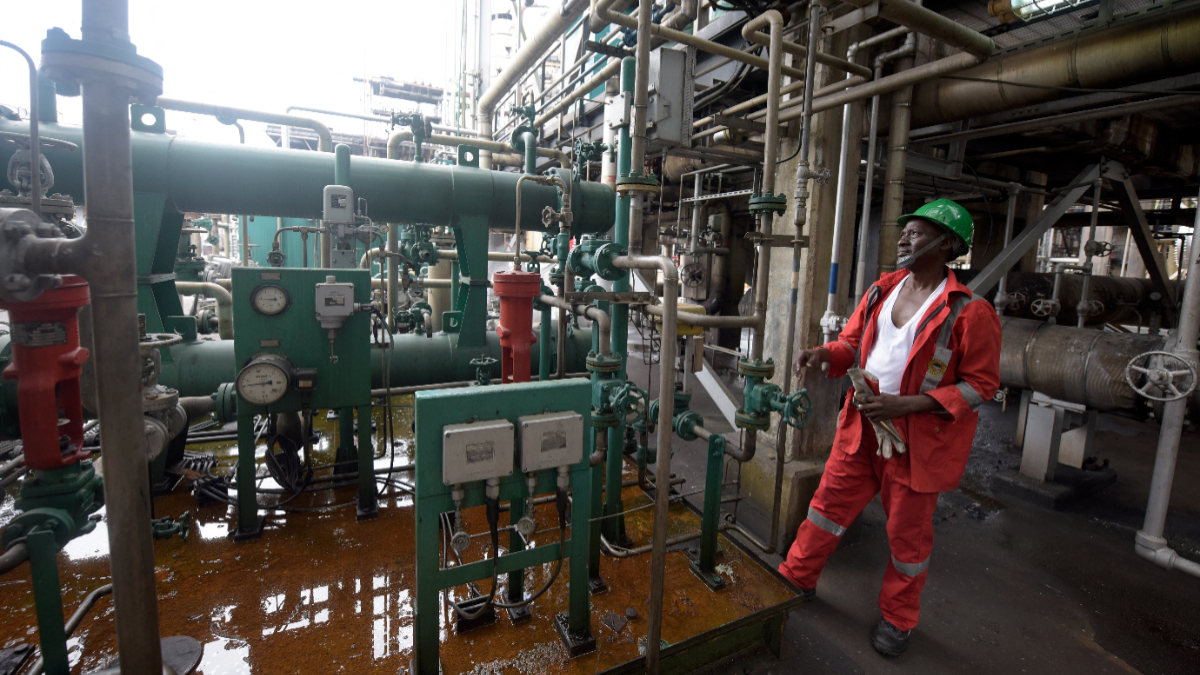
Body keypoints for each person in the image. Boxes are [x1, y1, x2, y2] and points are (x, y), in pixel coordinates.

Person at [778, 199, 1001, 657]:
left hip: (917, 443)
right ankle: (796, 578)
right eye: (905, 232)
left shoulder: (970, 312)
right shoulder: (883, 290)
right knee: (826, 509)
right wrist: (824, 354)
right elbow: (852, 344)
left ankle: (898, 620)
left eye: (916, 232)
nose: (903, 238)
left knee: (908, 540)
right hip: (861, 429)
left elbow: (981, 385)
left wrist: (909, 405)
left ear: (948, 245)